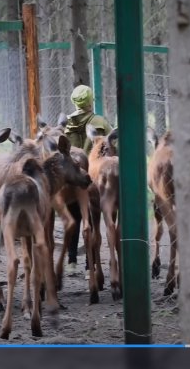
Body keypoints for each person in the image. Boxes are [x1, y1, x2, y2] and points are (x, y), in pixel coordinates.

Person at [64, 84, 113, 277]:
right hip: (93, 176)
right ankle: (89, 264)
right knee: (91, 220)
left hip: (72, 178)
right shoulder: (99, 121)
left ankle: (72, 260)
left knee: (73, 218)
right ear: (91, 100)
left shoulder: (67, 125)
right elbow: (111, 142)